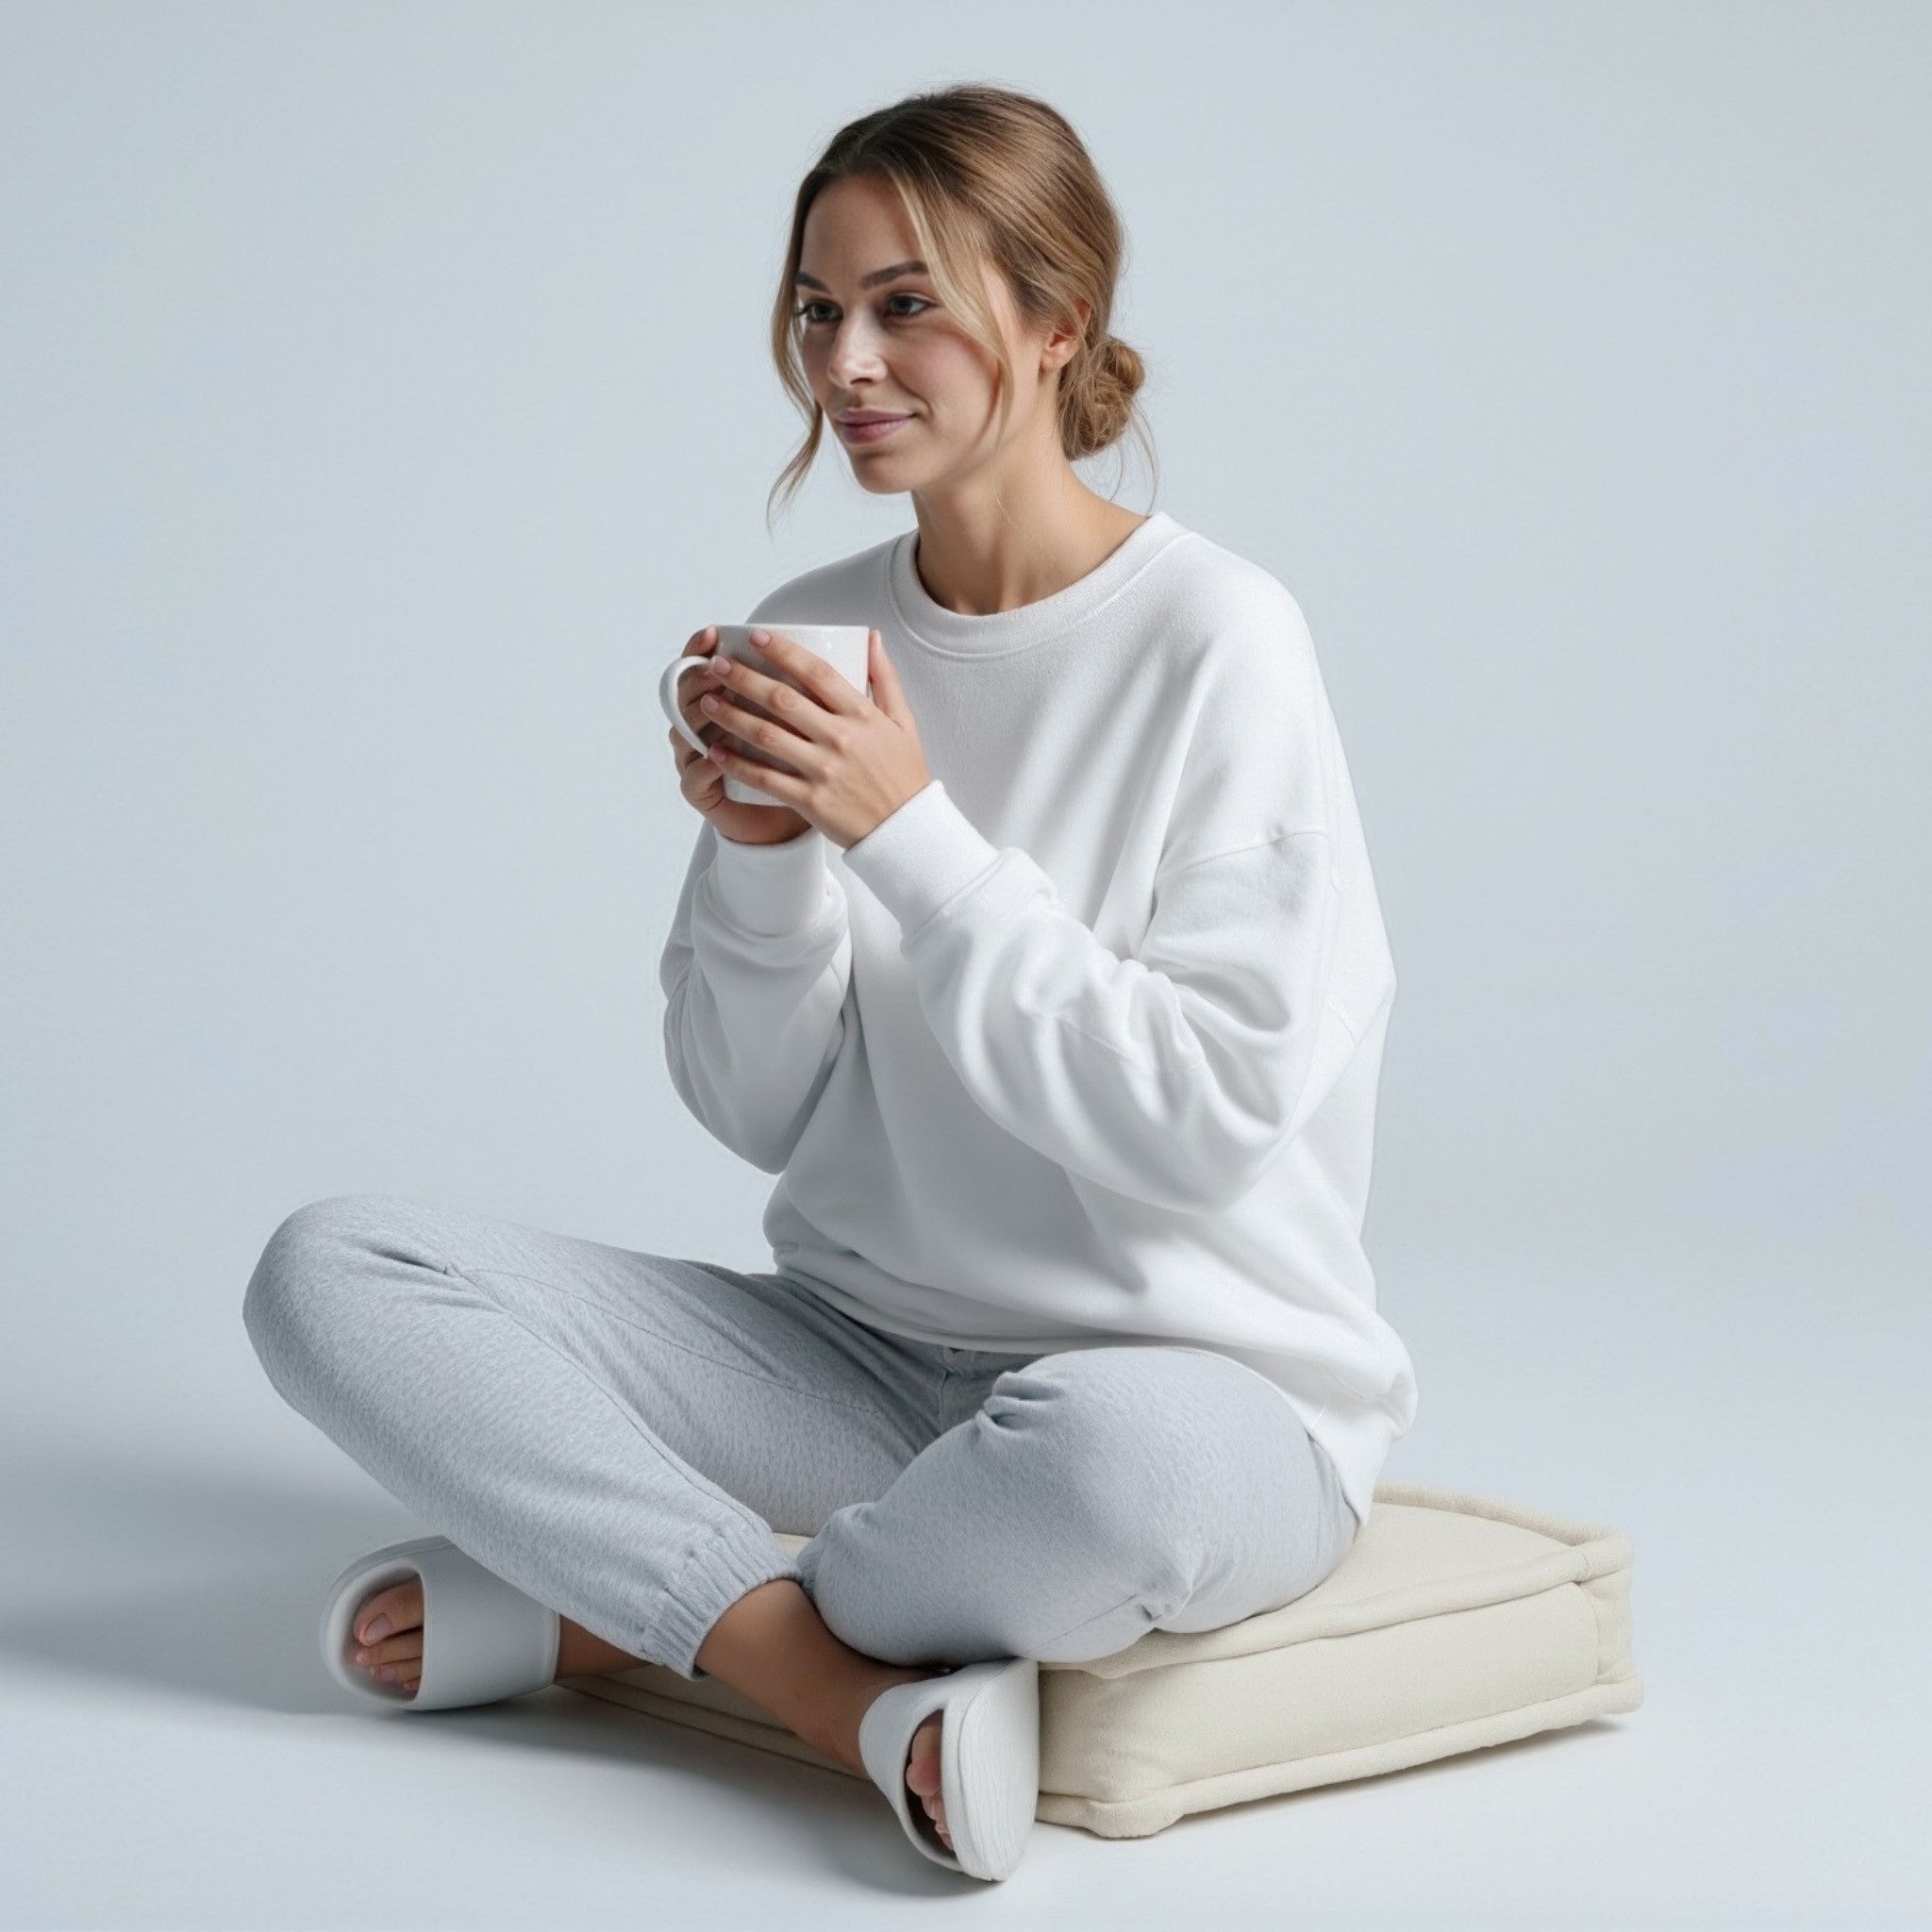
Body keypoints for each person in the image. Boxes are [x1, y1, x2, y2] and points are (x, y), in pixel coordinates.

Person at [242, 82, 1417, 1876]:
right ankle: (815, 1670)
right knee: (334, 1270)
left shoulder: (1218, 639)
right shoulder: (817, 616)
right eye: (817, 308)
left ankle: (625, 1605)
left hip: (1194, 1386)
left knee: (1113, 1476)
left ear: (1054, 321)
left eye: (906, 304)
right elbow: (754, 1106)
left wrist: (910, 833)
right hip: (854, 1359)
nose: (845, 361)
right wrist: (765, 856)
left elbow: (1206, 1119)